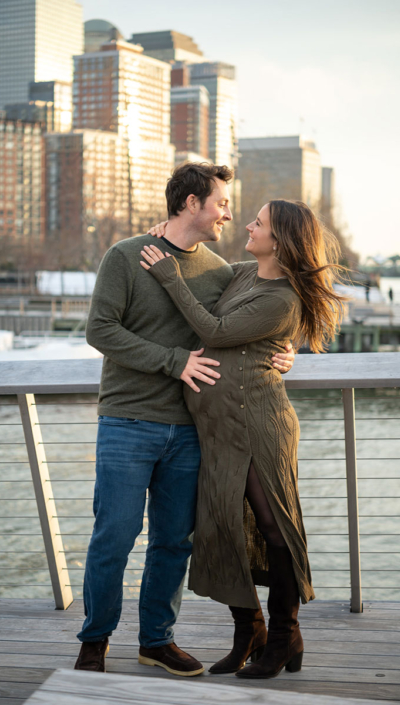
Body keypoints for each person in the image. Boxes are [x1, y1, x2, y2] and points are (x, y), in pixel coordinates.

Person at [74, 163, 295, 677]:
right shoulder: (127, 255)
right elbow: (100, 331)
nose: (229, 213)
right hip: (128, 423)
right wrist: (174, 362)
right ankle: (95, 640)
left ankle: (156, 640)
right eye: (220, 202)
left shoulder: (222, 270)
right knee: (114, 536)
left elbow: (267, 307)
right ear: (191, 203)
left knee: (174, 542)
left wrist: (288, 353)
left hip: (193, 431)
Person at [140, 198, 346, 679]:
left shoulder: (283, 298)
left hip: (258, 425)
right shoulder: (245, 274)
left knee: (275, 531)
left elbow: (213, 328)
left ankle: (283, 637)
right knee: (224, 528)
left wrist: (169, 276)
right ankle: (248, 631)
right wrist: (171, 235)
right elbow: (200, 262)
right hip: (220, 428)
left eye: (259, 223)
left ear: (281, 240)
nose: (247, 226)